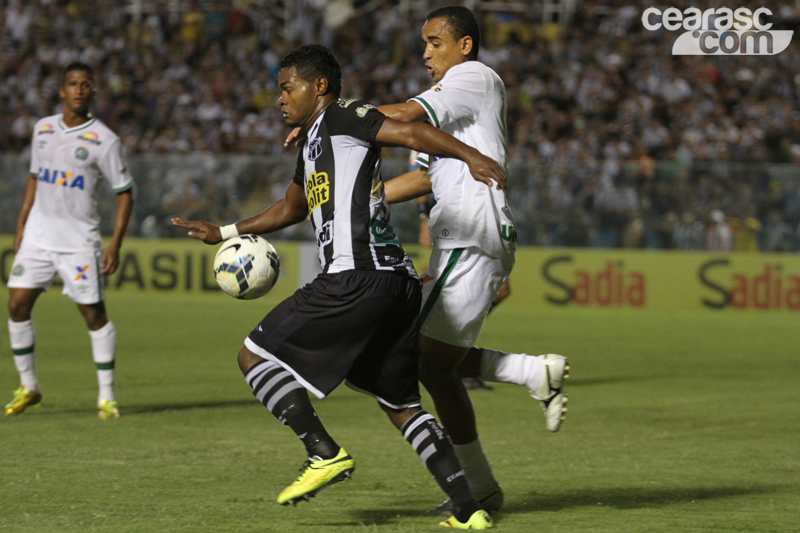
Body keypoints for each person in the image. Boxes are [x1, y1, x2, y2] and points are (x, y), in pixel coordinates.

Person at [172, 44, 503, 529]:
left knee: (253, 356)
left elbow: (410, 131)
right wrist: (224, 232)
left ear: (319, 86)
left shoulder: (346, 115)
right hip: (395, 284)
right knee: (402, 403)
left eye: (288, 88)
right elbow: (290, 208)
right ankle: (469, 509)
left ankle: (322, 452)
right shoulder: (311, 143)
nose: (280, 98)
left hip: (357, 276)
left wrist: (470, 154)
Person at [377, 6, 569, 514]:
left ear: (463, 46)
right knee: (432, 362)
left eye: (435, 42)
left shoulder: (471, 77)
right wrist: (364, 196)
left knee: (423, 361)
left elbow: (403, 116)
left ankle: (481, 483)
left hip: (471, 235)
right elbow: (422, 178)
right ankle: (530, 375)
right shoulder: (454, 106)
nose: (425, 54)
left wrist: (334, 116)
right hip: (461, 238)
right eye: (424, 44)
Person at [5, 62, 134, 420]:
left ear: (92, 92)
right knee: (17, 305)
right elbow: (34, 177)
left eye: (85, 85)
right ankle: (29, 387)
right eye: (72, 84)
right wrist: (21, 223)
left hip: (78, 241)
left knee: (93, 314)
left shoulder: (104, 140)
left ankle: (106, 397)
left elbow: (124, 193)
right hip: (37, 237)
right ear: (61, 91)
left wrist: (115, 244)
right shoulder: (42, 129)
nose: (78, 89)